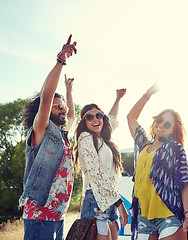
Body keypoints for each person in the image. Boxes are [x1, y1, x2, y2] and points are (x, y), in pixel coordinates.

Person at [19, 35, 77, 240]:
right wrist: (61, 60)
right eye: (58, 106)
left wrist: (69, 91)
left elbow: (71, 116)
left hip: (57, 215)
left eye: (64, 106)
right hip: (40, 215)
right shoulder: (42, 129)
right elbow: (46, 97)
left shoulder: (61, 135)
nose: (64, 110)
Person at [126, 83, 188, 240]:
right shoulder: (143, 145)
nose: (161, 125)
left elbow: (185, 184)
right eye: (159, 119)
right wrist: (147, 95)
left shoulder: (175, 148)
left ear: (172, 130)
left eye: (167, 124)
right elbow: (131, 117)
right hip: (144, 216)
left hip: (169, 214)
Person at [73, 89, 129, 240]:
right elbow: (96, 174)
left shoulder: (105, 141)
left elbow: (112, 119)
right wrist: (120, 204)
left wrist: (117, 99)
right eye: (89, 117)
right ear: (84, 122)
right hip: (95, 201)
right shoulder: (85, 138)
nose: (95, 119)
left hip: (110, 202)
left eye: (98, 115)